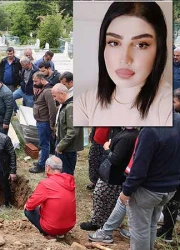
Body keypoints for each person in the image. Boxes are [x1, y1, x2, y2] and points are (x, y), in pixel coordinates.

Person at [74, 2, 172, 126]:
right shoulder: (86, 101)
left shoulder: (168, 106)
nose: (125, 59)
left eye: (141, 45)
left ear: (159, 49)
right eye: (114, 43)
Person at [120, 113, 180, 250]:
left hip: (148, 190)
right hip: (168, 188)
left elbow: (139, 167)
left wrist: (126, 190)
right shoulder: (177, 119)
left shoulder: (150, 129)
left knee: (139, 230)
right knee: (151, 225)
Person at [80, 127, 138, 231]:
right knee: (108, 199)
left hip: (113, 175)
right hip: (116, 174)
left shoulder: (127, 137)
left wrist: (107, 148)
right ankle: (104, 222)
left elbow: (115, 159)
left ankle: (99, 224)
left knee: (101, 197)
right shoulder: (127, 132)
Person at [24, 156, 76, 238]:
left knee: (27, 210)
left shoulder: (46, 184)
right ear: (61, 169)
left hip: (52, 228)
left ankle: (48, 234)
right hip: (69, 226)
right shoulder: (69, 181)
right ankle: (61, 232)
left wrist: (27, 205)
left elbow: (30, 205)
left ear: (48, 168)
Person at [52, 83, 84, 175]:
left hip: (67, 148)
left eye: (55, 96)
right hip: (62, 144)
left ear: (62, 94)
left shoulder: (71, 107)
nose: (54, 99)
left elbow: (72, 131)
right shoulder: (65, 105)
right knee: (61, 171)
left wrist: (60, 146)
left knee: (66, 173)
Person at [29, 72, 57, 174]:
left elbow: (52, 109)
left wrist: (52, 124)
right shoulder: (41, 89)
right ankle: (43, 161)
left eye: (36, 81)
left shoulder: (48, 91)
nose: (34, 83)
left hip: (44, 122)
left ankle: (41, 165)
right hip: (40, 121)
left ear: (42, 79)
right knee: (44, 143)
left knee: (44, 144)